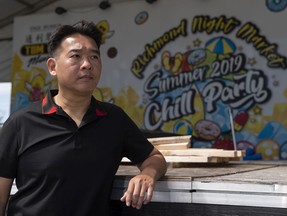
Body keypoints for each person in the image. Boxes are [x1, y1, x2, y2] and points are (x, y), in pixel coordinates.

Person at [0, 20, 167, 216]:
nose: (87, 64)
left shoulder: (113, 119)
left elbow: (154, 157)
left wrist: (147, 175)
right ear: (53, 67)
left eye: (94, 57)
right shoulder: (22, 122)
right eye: (76, 56)